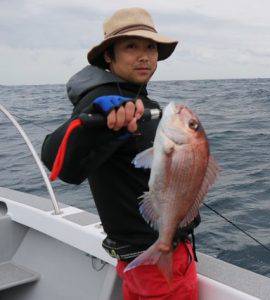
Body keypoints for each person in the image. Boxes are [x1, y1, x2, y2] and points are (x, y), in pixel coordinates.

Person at [41, 7, 200, 300]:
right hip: (159, 264)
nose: (145, 56)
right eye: (131, 47)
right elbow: (59, 163)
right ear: (108, 56)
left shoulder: (138, 98)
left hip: (134, 259)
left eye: (150, 47)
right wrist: (92, 121)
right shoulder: (103, 102)